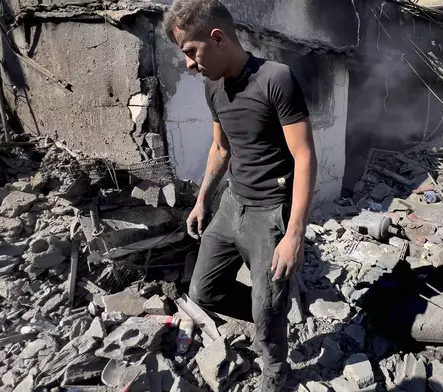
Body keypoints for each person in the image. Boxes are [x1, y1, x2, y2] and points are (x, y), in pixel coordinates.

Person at [165, 0, 317, 390]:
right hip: (233, 203)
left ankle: (276, 371)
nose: (189, 65)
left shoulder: (275, 79)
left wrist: (294, 234)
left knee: (266, 312)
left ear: (216, 38)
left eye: (190, 52)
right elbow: (220, 148)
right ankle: (274, 308)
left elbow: (304, 156)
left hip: (271, 211)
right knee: (204, 291)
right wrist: (202, 201)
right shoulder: (213, 86)